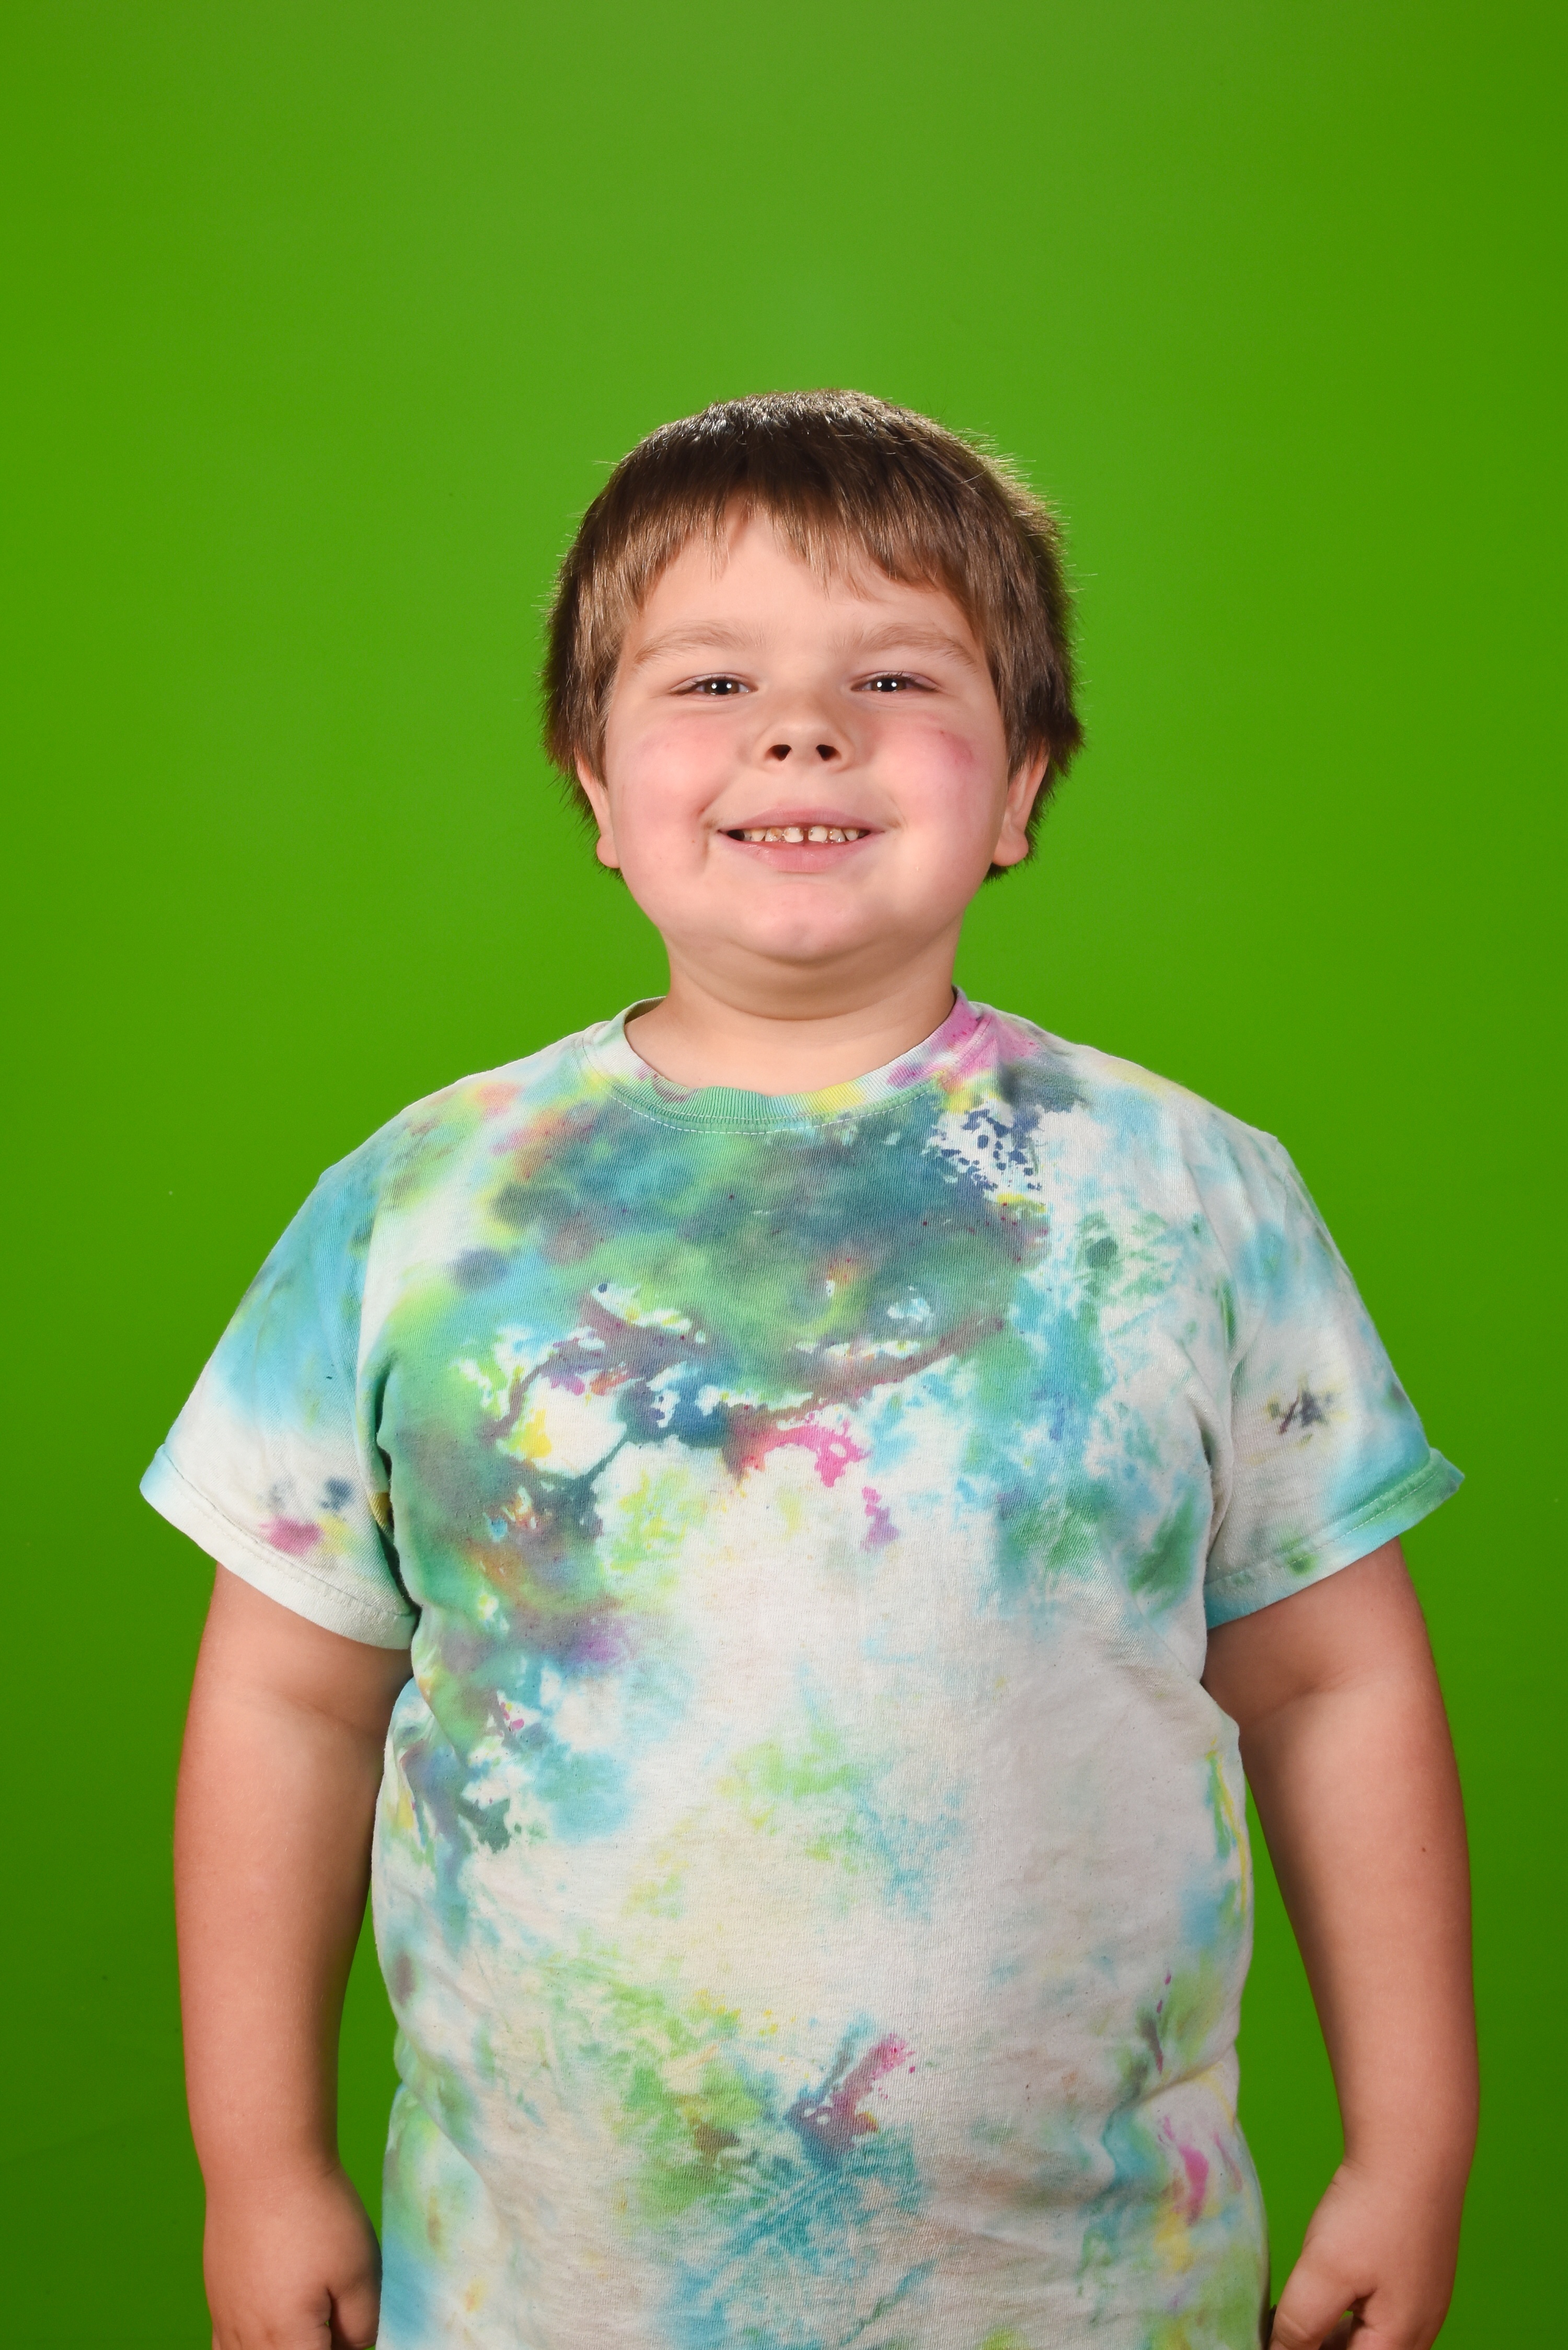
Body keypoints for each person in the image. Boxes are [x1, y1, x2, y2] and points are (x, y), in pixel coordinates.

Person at [149, 391, 1475, 2350]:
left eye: (895, 676)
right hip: (542, 2290)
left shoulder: (1190, 1196)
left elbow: (1333, 1685)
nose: (803, 730)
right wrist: (259, 2165)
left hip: (1086, 2287)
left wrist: (1415, 2144)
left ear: (1021, 783)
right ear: (595, 783)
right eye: (713, 681)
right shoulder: (420, 1209)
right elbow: (290, 1704)